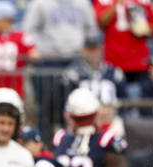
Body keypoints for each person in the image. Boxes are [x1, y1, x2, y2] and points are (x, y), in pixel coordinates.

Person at [23, 0, 98, 138]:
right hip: (49, 60)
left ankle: (73, 141)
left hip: (76, 58)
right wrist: (42, 49)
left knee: (78, 102)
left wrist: (85, 47)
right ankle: (44, 144)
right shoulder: (40, 3)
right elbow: (29, 29)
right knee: (47, 104)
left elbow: (91, 28)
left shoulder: (82, 3)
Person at [61, 35, 127, 136]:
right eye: (89, 49)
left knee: (119, 127)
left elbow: (123, 99)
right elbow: (67, 102)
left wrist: (110, 109)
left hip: (110, 119)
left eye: (94, 49)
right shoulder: (74, 73)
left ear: (101, 49)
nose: (92, 53)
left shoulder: (114, 73)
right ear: (83, 50)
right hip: (83, 120)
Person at [94, 0, 153, 83]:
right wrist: (116, 4)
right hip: (113, 60)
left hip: (138, 60)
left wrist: (140, 27)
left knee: (139, 93)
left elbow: (152, 27)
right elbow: (100, 22)